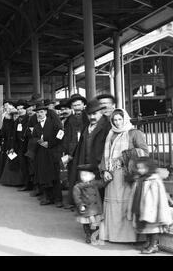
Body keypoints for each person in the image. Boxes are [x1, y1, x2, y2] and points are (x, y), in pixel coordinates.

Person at [99, 108, 149, 243]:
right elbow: (105, 156)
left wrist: (124, 156)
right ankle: (113, 236)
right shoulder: (110, 134)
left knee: (126, 205)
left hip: (127, 175)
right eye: (114, 120)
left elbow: (144, 152)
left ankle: (129, 237)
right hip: (112, 175)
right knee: (113, 206)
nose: (117, 122)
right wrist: (104, 171)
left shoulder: (134, 133)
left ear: (125, 119)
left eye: (120, 119)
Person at [67, 99, 111, 209]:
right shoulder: (86, 127)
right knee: (87, 194)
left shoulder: (107, 127)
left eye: (94, 114)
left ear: (101, 112)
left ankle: (99, 221)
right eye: (89, 114)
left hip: (99, 166)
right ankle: (90, 221)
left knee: (99, 194)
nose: (92, 117)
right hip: (85, 165)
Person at [127, 157, 173, 254]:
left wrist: (153, 209)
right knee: (146, 228)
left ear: (149, 167)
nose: (140, 170)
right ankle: (148, 243)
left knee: (153, 228)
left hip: (152, 210)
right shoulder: (140, 179)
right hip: (142, 208)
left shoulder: (154, 180)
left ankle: (154, 245)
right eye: (139, 168)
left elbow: (158, 196)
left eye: (143, 168)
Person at [31, 102, 64, 207]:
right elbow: (34, 137)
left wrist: (50, 143)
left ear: (45, 112)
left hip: (52, 152)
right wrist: (40, 142)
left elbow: (60, 134)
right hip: (41, 154)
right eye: (38, 113)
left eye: (41, 112)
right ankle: (47, 197)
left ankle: (58, 199)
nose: (39, 114)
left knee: (54, 176)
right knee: (43, 175)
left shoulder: (53, 123)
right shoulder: (36, 126)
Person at [62, 94, 89, 209]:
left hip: (85, 149)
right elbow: (66, 136)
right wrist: (66, 151)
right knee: (72, 175)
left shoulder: (88, 117)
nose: (77, 107)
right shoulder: (69, 120)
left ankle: (86, 201)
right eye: (74, 105)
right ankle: (73, 201)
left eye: (79, 104)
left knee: (85, 174)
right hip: (72, 150)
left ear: (83, 105)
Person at [73, 164, 108, 244]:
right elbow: (77, 197)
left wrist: (108, 179)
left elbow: (102, 183)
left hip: (95, 209)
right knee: (86, 223)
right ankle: (88, 234)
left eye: (86, 175)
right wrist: (80, 204)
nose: (84, 177)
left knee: (96, 223)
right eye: (82, 175)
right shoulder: (78, 186)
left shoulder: (94, 183)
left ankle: (94, 234)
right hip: (86, 209)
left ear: (92, 176)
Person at [0, 105, 25, 186]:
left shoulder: (19, 123)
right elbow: (6, 134)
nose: (15, 117)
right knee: (11, 163)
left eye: (17, 115)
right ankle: (10, 181)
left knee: (17, 164)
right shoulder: (10, 123)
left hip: (17, 145)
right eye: (14, 115)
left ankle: (18, 182)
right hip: (11, 145)